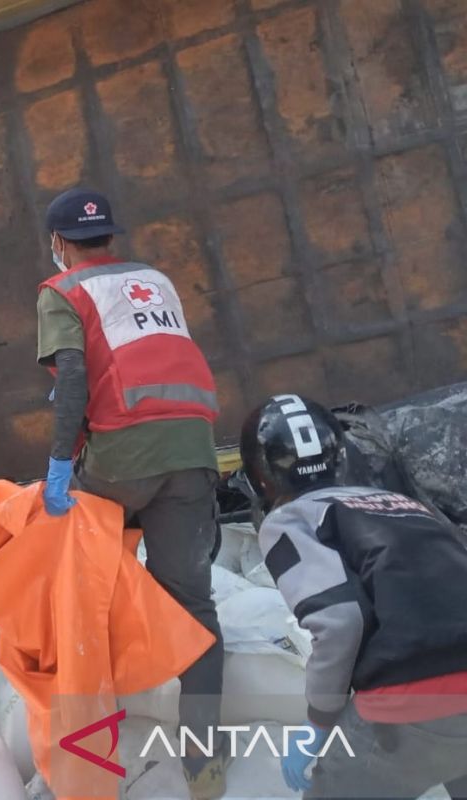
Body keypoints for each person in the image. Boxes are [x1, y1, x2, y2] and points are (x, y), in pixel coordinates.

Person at [36, 188, 226, 798]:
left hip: (120, 458)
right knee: (196, 607)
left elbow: (71, 377)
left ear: (60, 244)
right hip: (192, 452)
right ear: (112, 237)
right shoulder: (156, 280)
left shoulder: (61, 290)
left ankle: (90, 759)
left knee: (84, 599)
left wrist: (61, 461)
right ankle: (205, 767)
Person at [241, 395, 467, 799]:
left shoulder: (291, 520)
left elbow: (341, 620)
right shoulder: (407, 505)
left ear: (260, 477)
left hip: (410, 701)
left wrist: (319, 722)